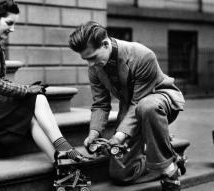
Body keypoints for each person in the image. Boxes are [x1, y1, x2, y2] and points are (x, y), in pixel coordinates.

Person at [0, 0, 86, 162]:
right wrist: (27, 90)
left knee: (34, 106)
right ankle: (65, 151)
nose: (12, 29)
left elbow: (1, 79)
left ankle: (61, 161)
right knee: (35, 100)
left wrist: (28, 90)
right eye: (9, 23)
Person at [68, 21, 185, 191]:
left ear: (105, 44)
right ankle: (173, 159)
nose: (90, 64)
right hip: (131, 109)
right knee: (122, 174)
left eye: (92, 57)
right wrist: (94, 132)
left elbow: (139, 102)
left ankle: (169, 173)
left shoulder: (142, 55)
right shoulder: (95, 65)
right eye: (86, 59)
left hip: (160, 101)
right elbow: (100, 103)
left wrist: (118, 138)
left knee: (147, 106)